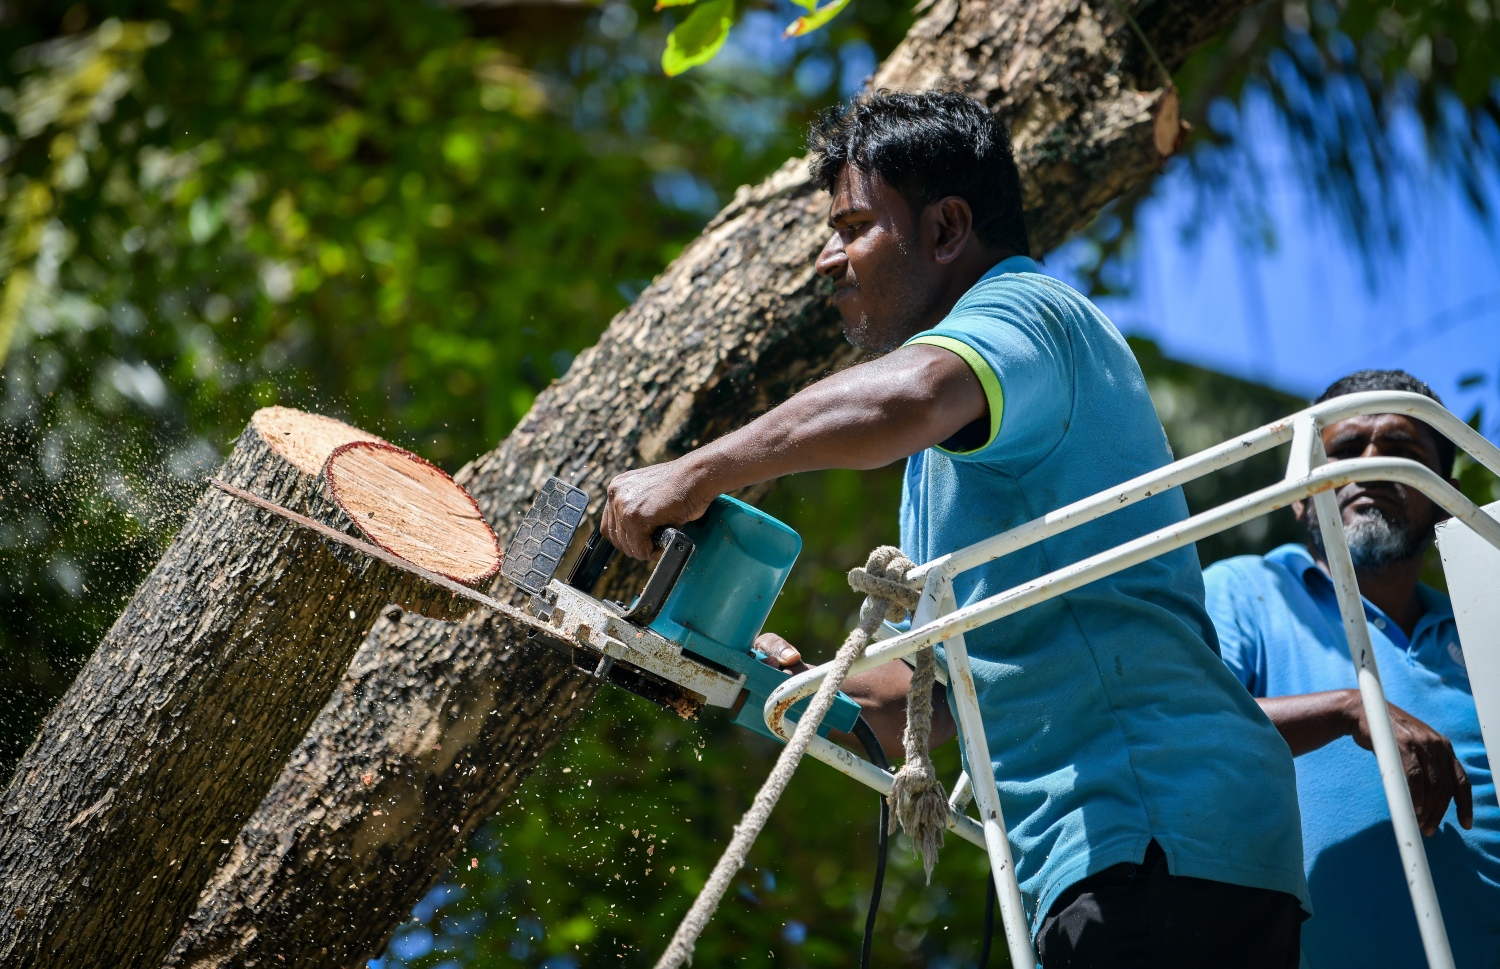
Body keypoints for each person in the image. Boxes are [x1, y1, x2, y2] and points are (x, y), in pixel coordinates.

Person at [601, 90, 1309, 967]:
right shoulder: (949, 458)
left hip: (1154, 829)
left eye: (853, 225)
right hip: (1115, 858)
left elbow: (911, 393)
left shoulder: (1031, 314)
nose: (827, 259)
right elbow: (920, 696)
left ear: (946, 229)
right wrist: (766, 684)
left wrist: (694, 469)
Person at [1204, 369, 1498, 969]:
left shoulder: (1484, 626)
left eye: (1401, 451)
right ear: (1296, 495)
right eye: (1343, 449)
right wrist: (1349, 709)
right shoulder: (1246, 591)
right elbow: (1184, 725)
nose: (1369, 464)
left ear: (1443, 490)